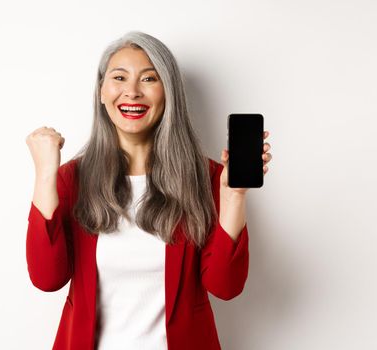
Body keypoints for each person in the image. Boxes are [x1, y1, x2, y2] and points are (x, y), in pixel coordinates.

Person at [25, 31, 272, 350]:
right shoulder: (72, 179)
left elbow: (225, 286)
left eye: (149, 79)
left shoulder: (207, 177)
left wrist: (234, 196)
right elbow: (47, 278)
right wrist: (45, 175)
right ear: (101, 91)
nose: (132, 92)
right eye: (119, 77)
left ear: (168, 93)